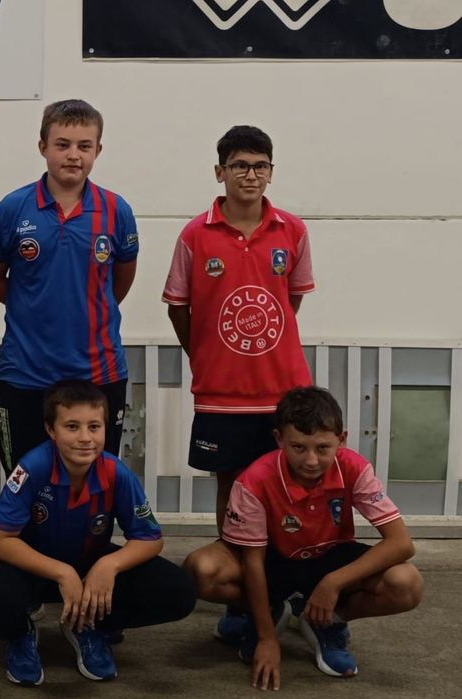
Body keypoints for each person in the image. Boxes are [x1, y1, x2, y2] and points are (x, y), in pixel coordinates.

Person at [162, 125, 314, 642]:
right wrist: (208, 355)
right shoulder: (194, 235)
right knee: (232, 492)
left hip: (283, 392)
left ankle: (288, 588)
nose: (250, 175)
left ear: (271, 172)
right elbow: (178, 308)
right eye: (240, 166)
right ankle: (244, 601)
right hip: (221, 396)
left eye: (260, 166)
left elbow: (290, 303)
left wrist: (263, 349)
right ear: (220, 172)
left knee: (288, 491)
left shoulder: (292, 231)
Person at [186, 386, 423, 689]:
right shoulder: (254, 480)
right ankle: (267, 613)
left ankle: (327, 620)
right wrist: (267, 638)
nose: (311, 460)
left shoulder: (354, 467)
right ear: (279, 440)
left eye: (323, 448)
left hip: (330, 557)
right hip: (274, 560)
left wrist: (333, 583)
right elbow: (253, 561)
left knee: (406, 584)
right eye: (298, 447)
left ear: (342, 440)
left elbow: (401, 543)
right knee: (201, 569)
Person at [0, 381, 196, 686]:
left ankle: (89, 625)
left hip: (89, 566)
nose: (85, 438)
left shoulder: (116, 473)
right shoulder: (32, 468)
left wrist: (108, 566)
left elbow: (150, 539)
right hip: (33, 567)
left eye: (94, 427)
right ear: (51, 429)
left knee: (178, 590)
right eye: (72, 427)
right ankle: (20, 633)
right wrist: (62, 572)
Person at [0, 100, 141, 474]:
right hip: (26, 372)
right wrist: (33, 304)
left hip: (98, 372)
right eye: (62, 144)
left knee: (96, 479)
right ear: (43, 147)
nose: (73, 155)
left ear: (98, 150)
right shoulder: (12, 209)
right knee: (25, 480)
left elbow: (119, 282)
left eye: (84, 146)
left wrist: (85, 306)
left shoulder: (116, 210)